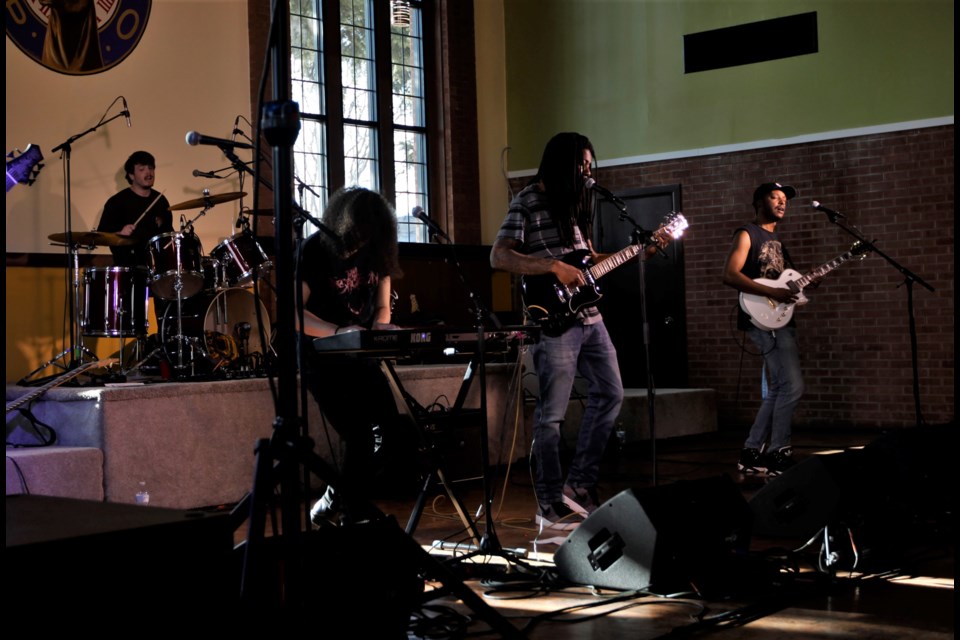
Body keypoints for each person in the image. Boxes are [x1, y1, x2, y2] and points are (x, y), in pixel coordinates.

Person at [490, 132, 625, 534]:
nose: (587, 171)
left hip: (590, 317)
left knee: (611, 394)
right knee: (551, 418)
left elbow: (587, 261)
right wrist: (551, 267)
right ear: (561, 163)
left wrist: (638, 250)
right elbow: (499, 255)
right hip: (554, 322)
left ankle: (578, 485)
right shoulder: (527, 200)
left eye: (589, 164)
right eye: (581, 164)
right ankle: (548, 504)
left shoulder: (576, 205)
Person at [297, 186, 408, 526]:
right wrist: (336, 332)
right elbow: (292, 314)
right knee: (358, 435)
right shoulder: (314, 249)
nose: (362, 244)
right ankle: (352, 515)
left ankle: (336, 497)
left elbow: (383, 306)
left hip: (360, 355)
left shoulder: (378, 248)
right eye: (358, 236)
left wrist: (380, 328)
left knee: (392, 431)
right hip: (321, 356)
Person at [722, 182, 804, 477]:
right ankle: (778, 451)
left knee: (779, 389)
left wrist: (805, 285)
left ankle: (752, 452)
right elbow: (730, 274)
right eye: (775, 197)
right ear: (759, 201)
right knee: (792, 387)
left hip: (781, 320)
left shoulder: (778, 242)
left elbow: (786, 284)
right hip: (761, 320)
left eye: (785, 199)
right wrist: (774, 295)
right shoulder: (747, 233)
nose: (782, 203)